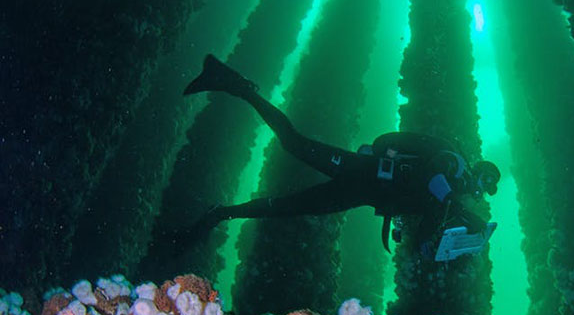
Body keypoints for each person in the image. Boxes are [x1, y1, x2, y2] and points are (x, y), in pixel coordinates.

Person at [178, 54, 500, 259]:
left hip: (359, 192)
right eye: (483, 184)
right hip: (361, 170)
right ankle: (236, 85)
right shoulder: (454, 165)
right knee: (294, 144)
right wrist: (457, 214)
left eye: (483, 190)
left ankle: (220, 214)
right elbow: (433, 173)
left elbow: (426, 214)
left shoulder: (444, 199)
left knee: (289, 208)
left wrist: (429, 241)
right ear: (478, 173)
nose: (478, 191)